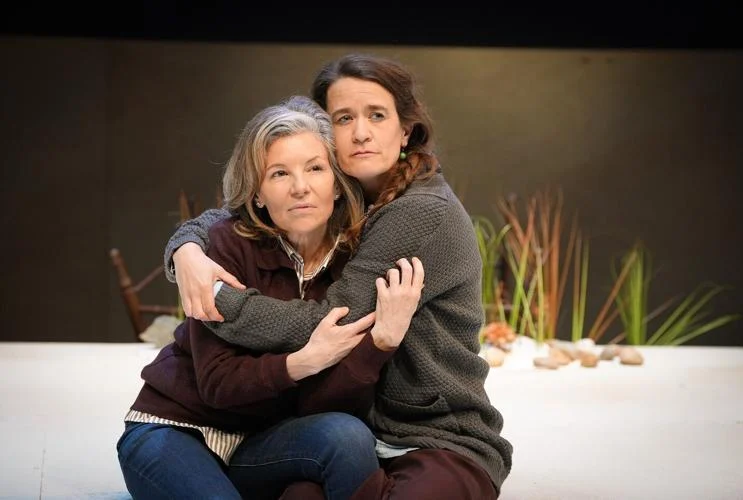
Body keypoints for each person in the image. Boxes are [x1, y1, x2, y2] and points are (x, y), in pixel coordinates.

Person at [165, 53, 513, 498]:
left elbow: (330, 321)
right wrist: (187, 248)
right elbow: (243, 211)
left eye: (377, 115)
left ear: (405, 130)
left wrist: (218, 298)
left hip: (438, 434)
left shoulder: (418, 210)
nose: (361, 132)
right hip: (358, 430)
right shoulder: (354, 196)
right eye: (344, 118)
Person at [117, 95, 425, 499]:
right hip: (178, 427)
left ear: (337, 183)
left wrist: (379, 345)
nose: (300, 188)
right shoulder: (225, 246)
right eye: (279, 174)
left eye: (315, 168)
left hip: (261, 442)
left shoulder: (359, 260)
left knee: (348, 436)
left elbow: (339, 400)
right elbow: (216, 385)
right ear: (258, 194)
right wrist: (303, 362)